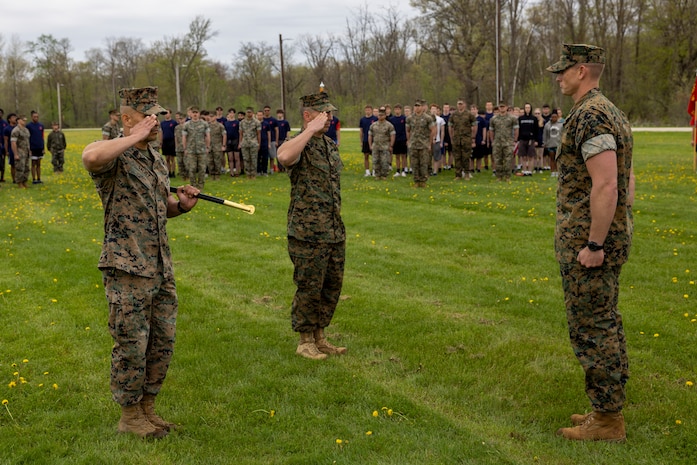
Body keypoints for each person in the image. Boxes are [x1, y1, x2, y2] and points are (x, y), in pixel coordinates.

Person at [82, 86, 200, 439]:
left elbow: (159, 207)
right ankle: (129, 415)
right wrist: (129, 137)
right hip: (127, 266)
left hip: (159, 265)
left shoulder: (154, 157)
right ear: (128, 118)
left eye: (158, 116)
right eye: (149, 116)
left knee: (161, 340)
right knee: (131, 342)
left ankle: (148, 408)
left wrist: (181, 206)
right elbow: (89, 157)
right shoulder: (114, 156)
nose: (156, 123)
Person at [547, 44, 635, 442]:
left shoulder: (591, 115)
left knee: (592, 326)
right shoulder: (608, 109)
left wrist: (596, 244)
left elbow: (608, 182)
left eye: (562, 71)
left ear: (581, 70)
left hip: (591, 244)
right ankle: (605, 406)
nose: (558, 77)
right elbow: (627, 181)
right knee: (605, 320)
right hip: (602, 234)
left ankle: (607, 420)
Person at [277, 92, 347, 361]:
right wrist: (309, 131)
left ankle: (320, 336)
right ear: (308, 116)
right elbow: (284, 157)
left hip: (333, 229)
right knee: (309, 286)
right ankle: (305, 340)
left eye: (329, 113)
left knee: (331, 286)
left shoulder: (329, 145)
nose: (329, 117)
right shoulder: (296, 143)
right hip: (307, 231)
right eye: (323, 113)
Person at [406, 99, 435, 188]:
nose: (417, 108)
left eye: (418, 106)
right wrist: (408, 141)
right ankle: (416, 181)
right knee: (414, 164)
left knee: (423, 163)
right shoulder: (410, 118)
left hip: (424, 144)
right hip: (413, 144)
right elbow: (408, 130)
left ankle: (423, 181)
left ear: (422, 107)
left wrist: (429, 143)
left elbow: (432, 130)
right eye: (415, 106)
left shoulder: (427, 118)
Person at [488, 102, 518, 182]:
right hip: (497, 142)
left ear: (506, 107)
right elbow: (491, 130)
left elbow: (516, 129)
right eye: (500, 107)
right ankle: (499, 176)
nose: (502, 108)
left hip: (508, 142)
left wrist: (515, 140)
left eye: (503, 107)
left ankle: (507, 176)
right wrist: (492, 141)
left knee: (508, 160)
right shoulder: (493, 119)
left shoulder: (512, 118)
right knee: (498, 160)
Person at [182, 106, 210, 190]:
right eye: (193, 113)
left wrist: (207, 146)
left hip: (201, 149)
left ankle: (200, 186)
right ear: (191, 114)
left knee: (202, 168)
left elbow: (207, 136)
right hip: (191, 150)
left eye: (196, 113)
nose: (195, 114)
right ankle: (193, 185)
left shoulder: (204, 124)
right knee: (192, 168)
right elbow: (184, 137)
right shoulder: (187, 124)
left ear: (199, 114)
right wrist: (185, 148)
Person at [449, 99, 477, 180]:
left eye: (461, 104)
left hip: (466, 139)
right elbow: (450, 126)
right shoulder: (453, 115)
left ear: (464, 104)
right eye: (458, 104)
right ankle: (458, 175)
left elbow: (474, 126)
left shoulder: (469, 114)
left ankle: (467, 173)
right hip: (457, 139)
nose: (460, 105)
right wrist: (451, 137)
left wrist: (473, 137)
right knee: (457, 157)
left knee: (466, 157)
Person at [368, 107, 395, 180]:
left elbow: (392, 135)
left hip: (385, 146)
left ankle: (384, 175)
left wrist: (391, 145)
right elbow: (370, 135)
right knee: (375, 161)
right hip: (376, 146)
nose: (380, 117)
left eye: (382, 115)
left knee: (384, 161)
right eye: (379, 115)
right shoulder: (373, 125)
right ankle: (377, 175)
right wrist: (370, 145)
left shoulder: (389, 125)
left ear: (385, 116)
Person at [516, 103, 539, 176]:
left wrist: (536, 140)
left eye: (528, 107)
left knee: (531, 156)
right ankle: (524, 170)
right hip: (522, 140)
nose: (527, 109)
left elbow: (536, 130)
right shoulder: (520, 118)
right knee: (523, 156)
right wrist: (518, 140)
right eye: (526, 107)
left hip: (531, 140)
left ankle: (530, 171)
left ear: (530, 108)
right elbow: (518, 129)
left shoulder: (534, 118)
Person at [238, 107, 260, 179]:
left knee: (253, 159)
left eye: (250, 112)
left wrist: (259, 143)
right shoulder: (242, 122)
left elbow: (258, 134)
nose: (249, 113)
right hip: (245, 143)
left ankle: (253, 174)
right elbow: (241, 133)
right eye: (247, 112)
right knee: (246, 159)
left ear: (253, 113)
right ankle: (248, 174)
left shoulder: (257, 122)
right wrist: (240, 143)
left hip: (253, 143)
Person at [10, 115, 30, 189]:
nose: (24, 121)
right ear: (18, 120)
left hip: (26, 151)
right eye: (23, 120)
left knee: (26, 168)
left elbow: (27, 141)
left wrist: (29, 150)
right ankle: (19, 183)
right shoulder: (16, 130)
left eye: (25, 120)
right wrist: (15, 154)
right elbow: (13, 142)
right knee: (19, 168)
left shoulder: (26, 130)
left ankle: (25, 181)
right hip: (19, 151)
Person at [205, 110, 226, 180]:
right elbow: (204, 136)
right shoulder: (207, 125)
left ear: (216, 117)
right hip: (209, 146)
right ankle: (212, 174)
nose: (210, 118)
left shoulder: (220, 126)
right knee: (210, 161)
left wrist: (223, 145)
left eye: (212, 116)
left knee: (217, 161)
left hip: (217, 146)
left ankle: (217, 175)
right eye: (210, 116)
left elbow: (224, 135)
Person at [543, 110, 563, 177]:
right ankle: (552, 171)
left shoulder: (561, 125)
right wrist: (545, 143)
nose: (554, 118)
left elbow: (563, 134)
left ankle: (557, 171)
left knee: (557, 159)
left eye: (555, 117)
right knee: (551, 158)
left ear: (557, 117)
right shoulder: (547, 125)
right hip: (550, 144)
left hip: (558, 144)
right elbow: (545, 135)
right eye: (552, 117)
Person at [26, 111, 45, 184]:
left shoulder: (41, 126)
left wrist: (43, 147)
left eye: (37, 117)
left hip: (39, 147)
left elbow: (42, 137)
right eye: (34, 117)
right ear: (31, 117)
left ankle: (39, 178)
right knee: (33, 163)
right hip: (32, 147)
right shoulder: (29, 126)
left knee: (39, 164)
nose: (36, 118)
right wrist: (29, 149)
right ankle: (34, 179)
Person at [389, 104, 408, 177]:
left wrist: (407, 139)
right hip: (395, 139)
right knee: (397, 156)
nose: (397, 111)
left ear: (401, 110)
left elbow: (407, 130)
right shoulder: (392, 119)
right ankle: (397, 170)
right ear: (394, 110)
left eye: (398, 109)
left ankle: (403, 170)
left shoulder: (404, 118)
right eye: (396, 109)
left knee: (403, 155)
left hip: (403, 139)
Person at [359, 105, 377, 176]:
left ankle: (375, 170)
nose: (368, 111)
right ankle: (367, 171)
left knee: (374, 156)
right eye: (366, 110)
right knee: (366, 156)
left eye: (369, 110)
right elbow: (361, 131)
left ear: (371, 110)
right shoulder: (362, 120)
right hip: (365, 140)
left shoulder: (375, 119)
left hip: (374, 140)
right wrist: (361, 141)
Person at [159, 109, 178, 177]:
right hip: (165, 142)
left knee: (172, 158)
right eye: (165, 113)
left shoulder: (174, 122)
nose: (166, 115)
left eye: (167, 113)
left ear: (170, 114)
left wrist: (176, 143)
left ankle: (173, 172)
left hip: (172, 141)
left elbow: (176, 133)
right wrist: (160, 142)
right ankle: (168, 172)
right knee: (167, 158)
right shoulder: (162, 123)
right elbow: (161, 132)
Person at [225, 110, 242, 177]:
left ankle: (237, 172)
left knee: (237, 158)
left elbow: (240, 133)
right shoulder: (226, 123)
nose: (231, 114)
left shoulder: (237, 122)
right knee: (230, 158)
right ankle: (231, 172)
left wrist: (240, 142)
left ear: (234, 114)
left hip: (236, 141)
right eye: (230, 113)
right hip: (229, 141)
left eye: (232, 113)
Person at [429, 104, 445, 176]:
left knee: (436, 156)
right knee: (428, 156)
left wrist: (441, 141)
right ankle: (429, 170)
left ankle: (435, 171)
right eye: (432, 109)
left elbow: (442, 131)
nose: (433, 110)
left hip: (437, 140)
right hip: (428, 141)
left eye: (435, 109)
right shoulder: (427, 118)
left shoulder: (440, 119)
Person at [3, 113, 17, 184]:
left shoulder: (18, 127)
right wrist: (6, 151)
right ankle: (14, 179)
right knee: (13, 164)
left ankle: (20, 178)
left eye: (15, 117)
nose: (15, 118)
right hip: (11, 148)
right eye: (13, 117)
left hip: (19, 148)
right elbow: (5, 141)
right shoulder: (7, 129)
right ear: (9, 119)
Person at [0, 109, 8, 183]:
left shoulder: (5, 123)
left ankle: (2, 177)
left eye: (1, 113)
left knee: (3, 162)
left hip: (3, 145)